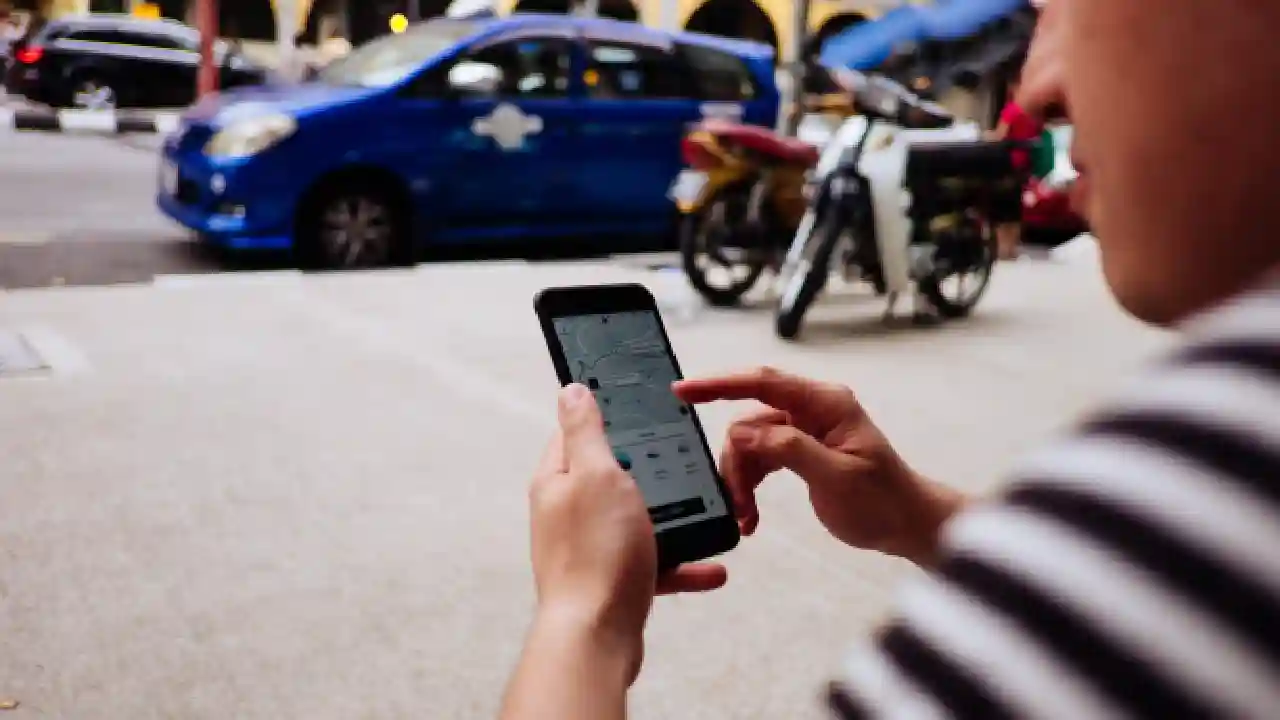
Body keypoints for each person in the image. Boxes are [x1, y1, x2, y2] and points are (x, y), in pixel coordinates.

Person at [500, 0, 1280, 716]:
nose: (1036, 91)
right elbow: (1137, 597)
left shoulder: (1234, 460)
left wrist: (583, 622)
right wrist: (917, 516)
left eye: (1060, 5)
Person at [986, 60, 1046, 260]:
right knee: (1015, 208)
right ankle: (1012, 248)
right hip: (1024, 165)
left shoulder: (1012, 110)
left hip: (1007, 164)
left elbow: (1000, 136)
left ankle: (1002, 249)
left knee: (1000, 208)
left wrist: (985, 137)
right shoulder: (1032, 111)